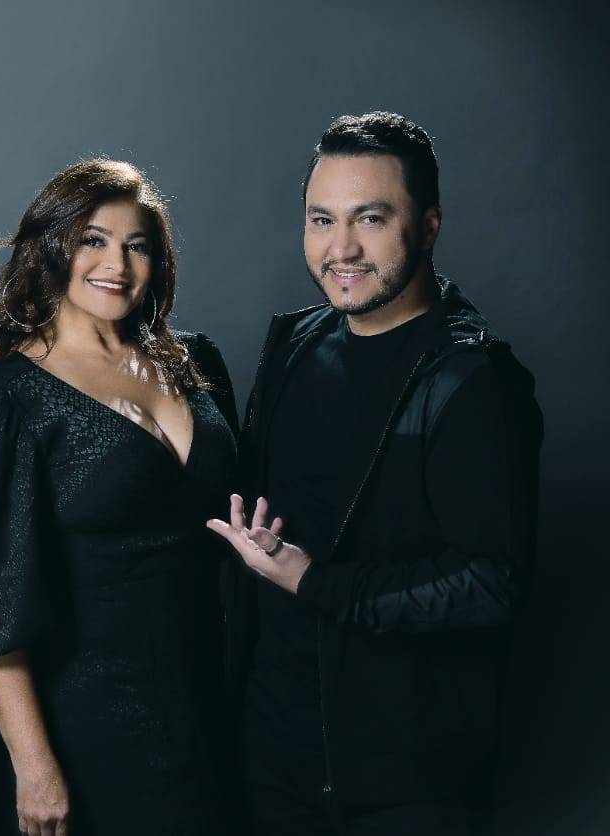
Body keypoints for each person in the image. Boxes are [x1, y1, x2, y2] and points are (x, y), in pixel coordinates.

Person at [207, 112, 543, 835]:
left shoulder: (471, 380)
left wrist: (314, 581)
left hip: (405, 782)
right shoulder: (295, 344)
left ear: (429, 226)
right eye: (322, 219)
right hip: (272, 758)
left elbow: (490, 583)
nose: (343, 249)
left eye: (371, 218)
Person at [0, 158, 242, 835]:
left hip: (214, 694)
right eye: (93, 240)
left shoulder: (194, 361)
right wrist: (34, 766)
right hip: (90, 716)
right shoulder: (6, 405)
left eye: (137, 245)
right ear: (51, 247)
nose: (117, 264)